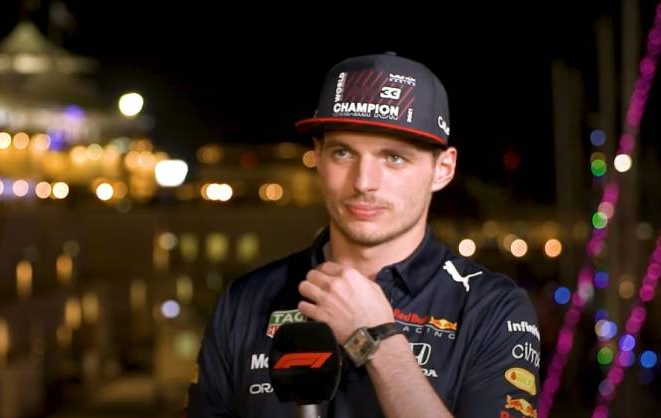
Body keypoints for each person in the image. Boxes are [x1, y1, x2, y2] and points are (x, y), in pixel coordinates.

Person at [185, 52, 540, 418]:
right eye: (343, 153)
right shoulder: (244, 301)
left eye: (394, 158)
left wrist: (375, 339)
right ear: (317, 157)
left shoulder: (491, 308)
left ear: (443, 169)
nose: (364, 182)